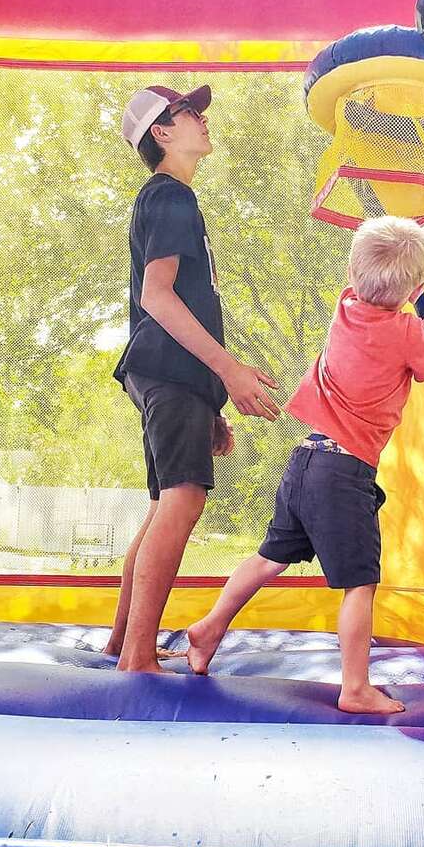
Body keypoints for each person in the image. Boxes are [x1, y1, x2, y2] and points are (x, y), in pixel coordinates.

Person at [184, 213, 424, 713]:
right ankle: (355, 688)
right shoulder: (408, 333)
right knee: (360, 582)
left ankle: (209, 627)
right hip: (345, 474)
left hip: (307, 460)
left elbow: (383, 268)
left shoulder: (347, 307)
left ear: (354, 278)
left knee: (269, 557)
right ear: (416, 287)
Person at [104, 84, 280, 673]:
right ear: (162, 133)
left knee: (164, 503)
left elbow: (179, 302)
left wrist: (210, 401)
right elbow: (157, 296)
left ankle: (121, 643)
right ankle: (136, 658)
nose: (202, 119)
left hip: (170, 374)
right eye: (188, 113)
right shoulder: (171, 196)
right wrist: (229, 372)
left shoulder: (167, 199)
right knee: (183, 497)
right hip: (166, 368)